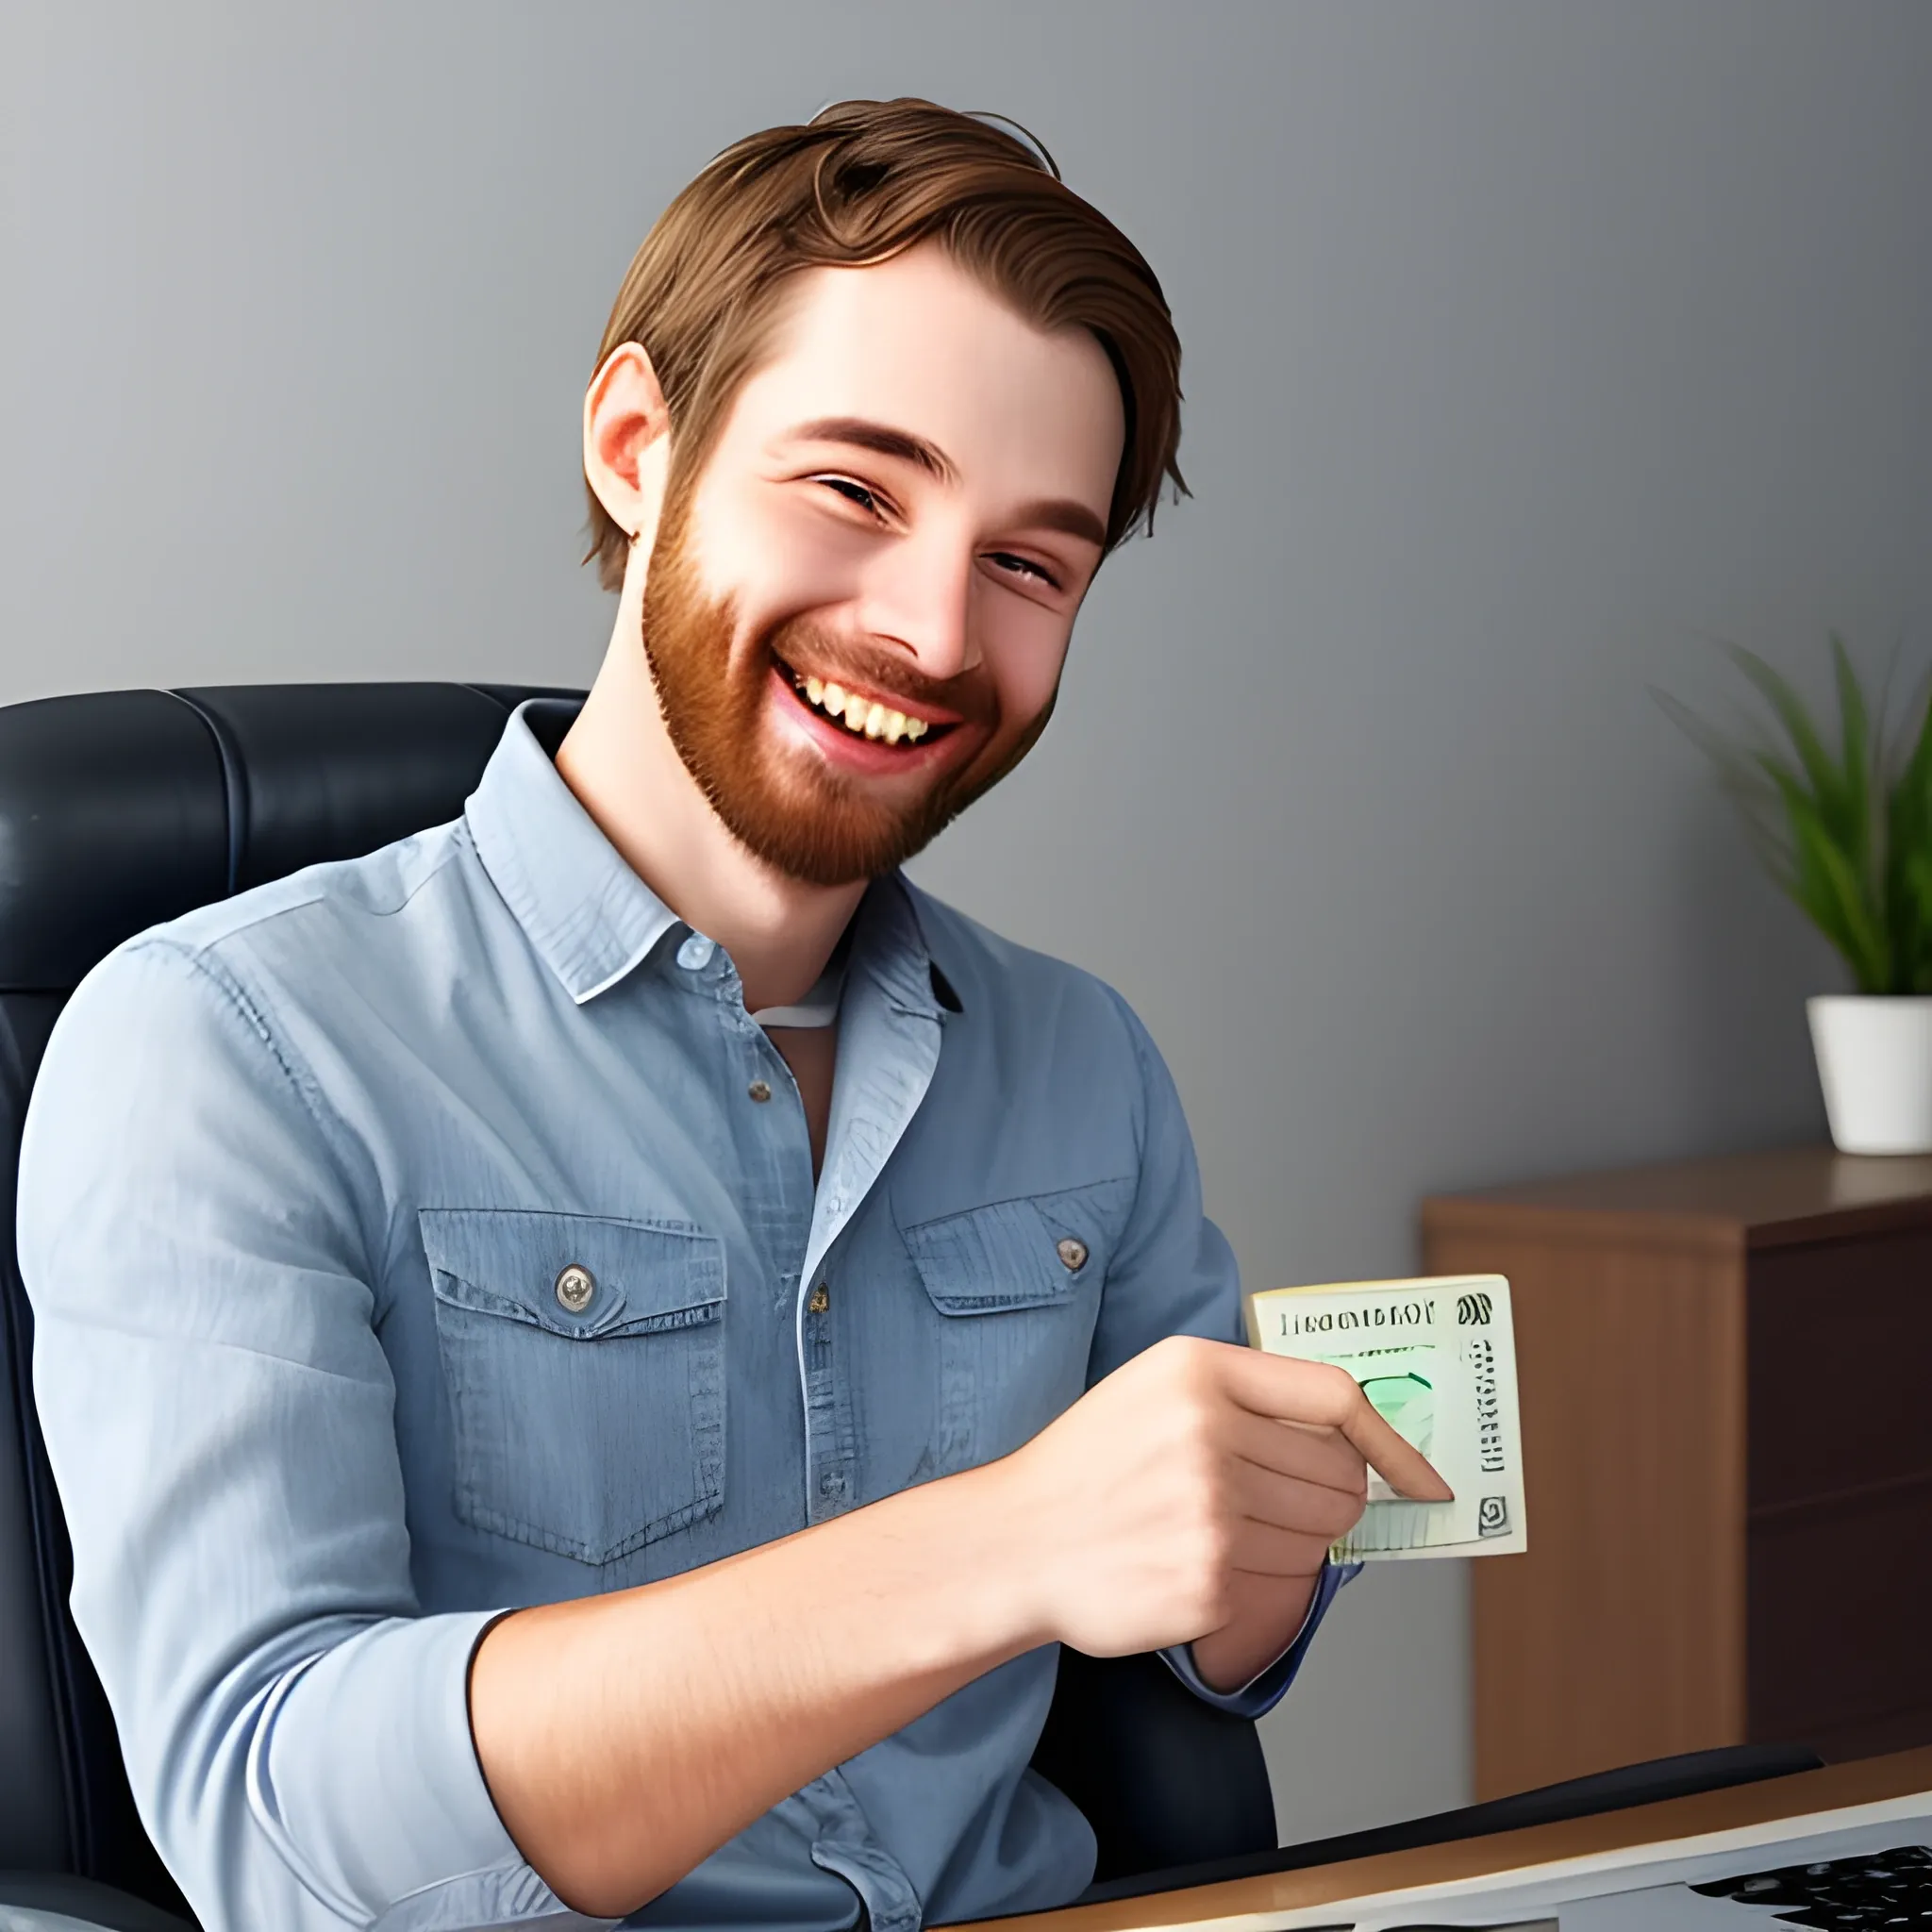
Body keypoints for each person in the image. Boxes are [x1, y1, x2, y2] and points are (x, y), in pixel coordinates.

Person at [18, 98, 1446, 1932]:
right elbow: (284, 1846)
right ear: (637, 444)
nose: (934, 630)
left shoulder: (1084, 1059)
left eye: (1029, 562)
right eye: (855, 489)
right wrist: (999, 1543)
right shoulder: (221, 1045)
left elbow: (1193, 1666)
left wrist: (1252, 1566)